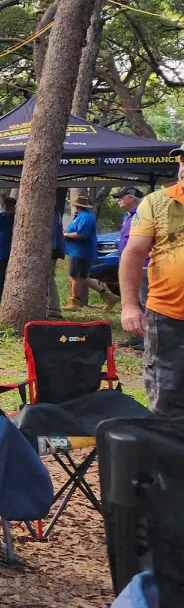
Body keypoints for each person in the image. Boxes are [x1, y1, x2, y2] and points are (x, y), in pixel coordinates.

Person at [121, 147, 184, 417]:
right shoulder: (157, 202)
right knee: (167, 393)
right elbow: (133, 254)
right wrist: (129, 306)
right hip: (168, 314)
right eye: (183, 160)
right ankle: (167, 455)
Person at [63, 196, 100, 311]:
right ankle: (107, 295)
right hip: (78, 251)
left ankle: (74, 302)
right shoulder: (81, 216)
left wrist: (65, 235)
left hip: (81, 252)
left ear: (76, 205)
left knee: (76, 277)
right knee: (81, 277)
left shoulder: (85, 217)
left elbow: (81, 234)